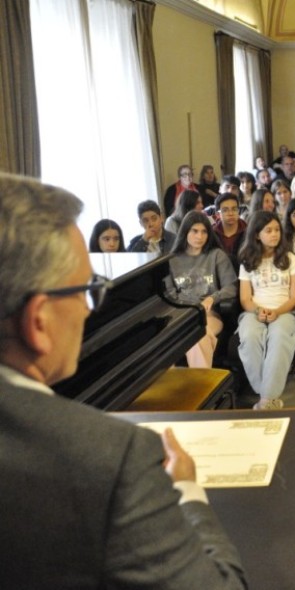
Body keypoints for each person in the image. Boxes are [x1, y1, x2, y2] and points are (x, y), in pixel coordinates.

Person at [0, 173, 247, 588]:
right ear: (38, 321)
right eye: (87, 290)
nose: (89, 311)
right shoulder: (115, 460)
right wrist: (186, 489)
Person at [237, 211, 295, 410]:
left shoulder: (291, 259)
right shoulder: (247, 261)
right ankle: (266, 392)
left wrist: (277, 312)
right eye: (269, 231)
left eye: (277, 230)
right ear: (257, 234)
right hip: (254, 311)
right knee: (248, 335)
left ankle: (266, 399)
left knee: (279, 336)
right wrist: (258, 311)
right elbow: (245, 298)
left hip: (284, 311)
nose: (274, 234)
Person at [167, 211, 237, 368]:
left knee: (197, 337)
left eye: (204, 231)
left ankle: (201, 388)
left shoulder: (216, 255)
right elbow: (168, 294)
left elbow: (231, 288)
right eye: (195, 231)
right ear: (185, 232)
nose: (200, 236)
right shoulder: (171, 260)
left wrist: (212, 298)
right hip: (180, 316)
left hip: (209, 315)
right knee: (165, 344)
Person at [212, 192, 247, 267]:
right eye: (225, 210)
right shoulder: (212, 233)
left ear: (239, 211)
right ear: (218, 215)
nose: (230, 213)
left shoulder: (248, 231)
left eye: (234, 209)